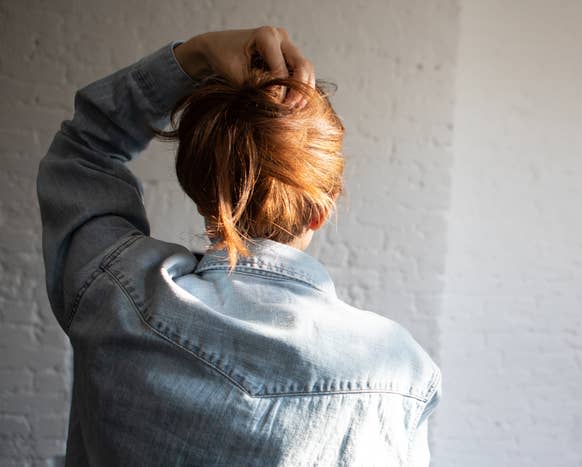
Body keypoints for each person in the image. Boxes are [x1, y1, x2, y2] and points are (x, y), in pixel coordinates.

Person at [36, 27, 441, 466]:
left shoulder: (115, 292)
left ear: (203, 191)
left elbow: (86, 147)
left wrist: (197, 55)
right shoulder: (400, 374)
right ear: (322, 208)